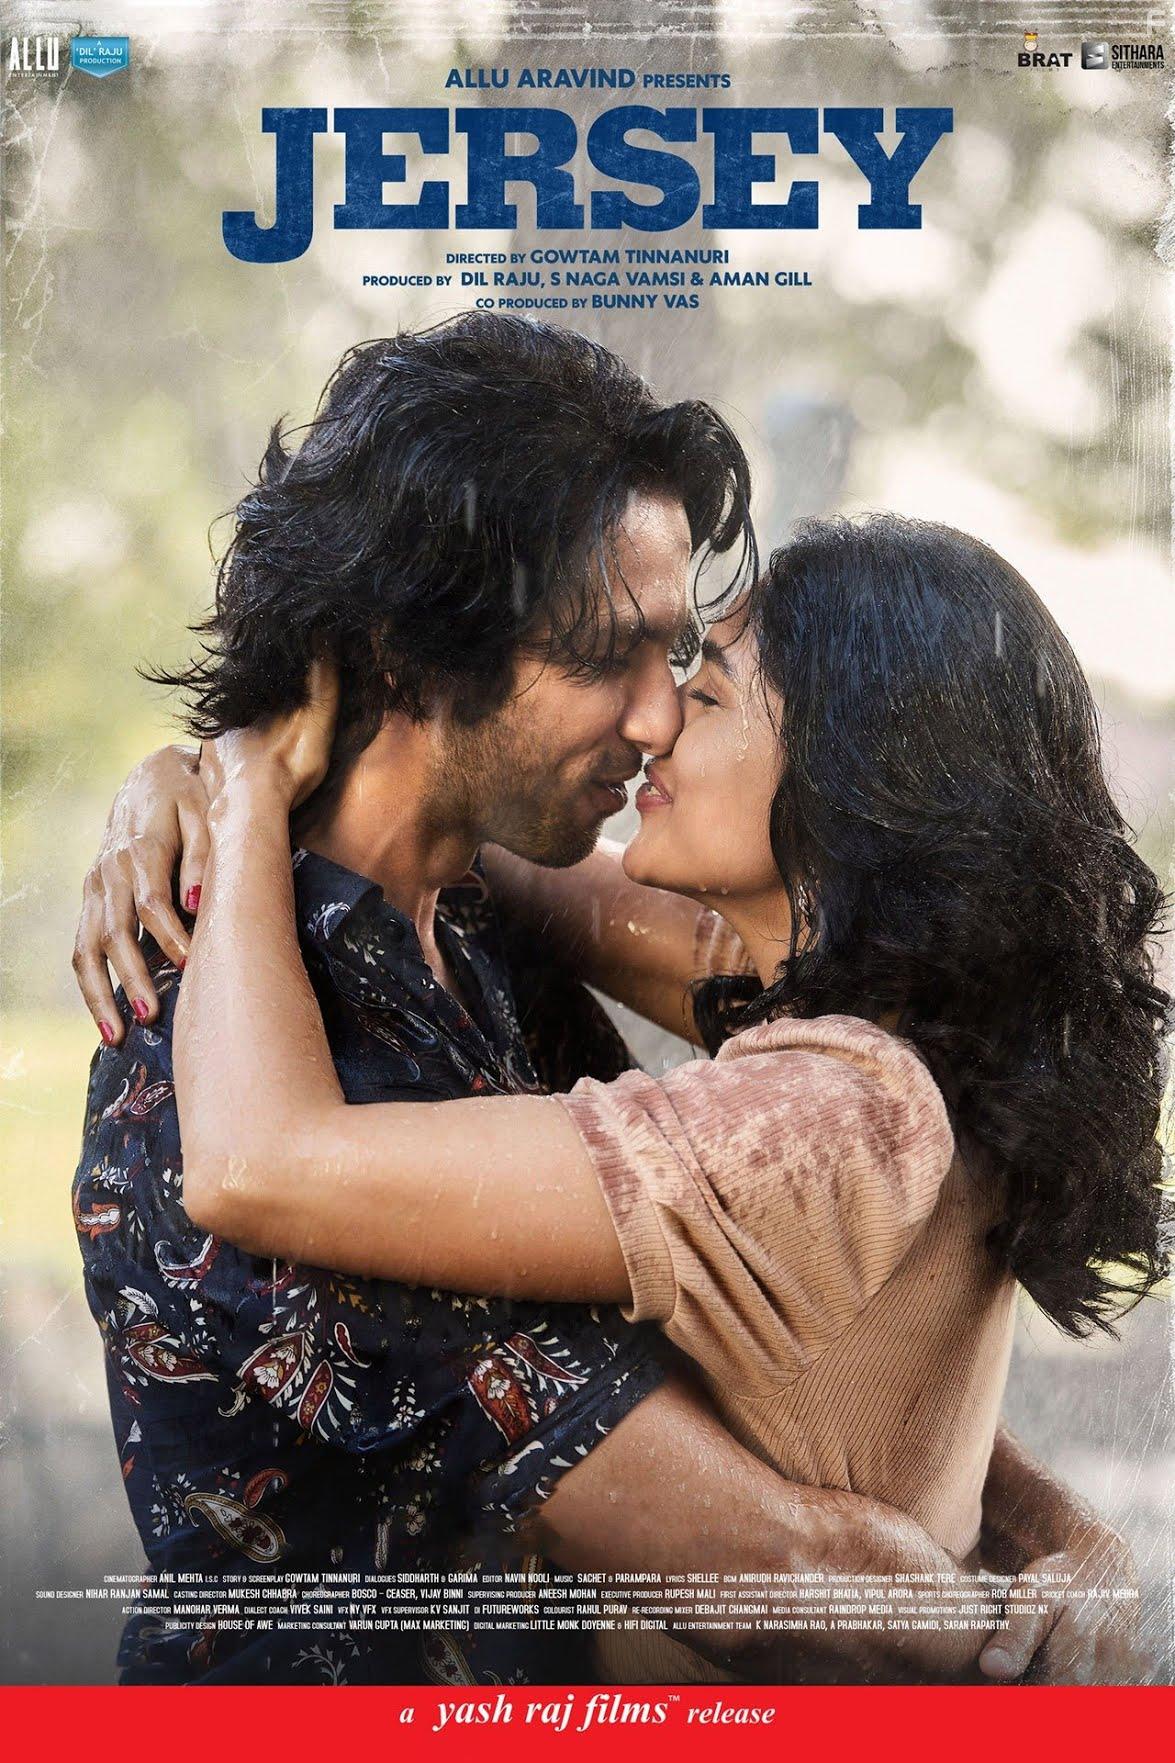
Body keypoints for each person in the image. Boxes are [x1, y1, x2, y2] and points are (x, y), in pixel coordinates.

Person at [73, 318, 1142, 1686]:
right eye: (605, 657)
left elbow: (788, 1351)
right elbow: (784, 1565)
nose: (657, 719)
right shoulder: (224, 1034)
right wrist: (220, 785)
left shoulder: (497, 931)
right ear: (409, 651)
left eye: (686, 666)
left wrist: (1071, 1541)